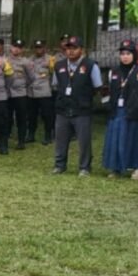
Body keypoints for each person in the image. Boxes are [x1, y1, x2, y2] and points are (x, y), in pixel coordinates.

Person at [102, 40, 138, 179]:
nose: (125, 57)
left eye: (128, 53)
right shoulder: (113, 71)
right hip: (117, 111)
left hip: (135, 112)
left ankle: (137, 168)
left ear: (134, 55)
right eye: (122, 54)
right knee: (116, 139)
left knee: (136, 140)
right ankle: (116, 168)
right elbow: (109, 92)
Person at [51, 35, 103, 176]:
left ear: (82, 49)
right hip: (63, 108)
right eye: (68, 48)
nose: (71, 51)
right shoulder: (59, 65)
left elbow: (97, 86)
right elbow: (55, 85)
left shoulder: (91, 65)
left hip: (82, 109)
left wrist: (84, 97)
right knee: (60, 139)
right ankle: (59, 165)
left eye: (75, 48)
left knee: (84, 140)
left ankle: (84, 167)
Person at [28, 40, 56, 144]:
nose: (38, 49)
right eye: (36, 47)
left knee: (47, 115)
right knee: (31, 115)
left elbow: (54, 74)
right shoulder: (29, 59)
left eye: (40, 47)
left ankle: (48, 135)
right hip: (32, 91)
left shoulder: (51, 59)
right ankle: (31, 134)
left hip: (45, 91)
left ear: (45, 48)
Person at [6, 39, 31, 149]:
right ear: (11, 47)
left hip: (20, 93)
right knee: (6, 118)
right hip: (7, 93)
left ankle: (21, 141)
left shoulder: (26, 62)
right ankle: (4, 140)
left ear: (22, 49)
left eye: (19, 47)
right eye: (15, 46)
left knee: (21, 118)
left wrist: (23, 85)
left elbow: (32, 77)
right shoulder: (4, 60)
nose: (16, 49)